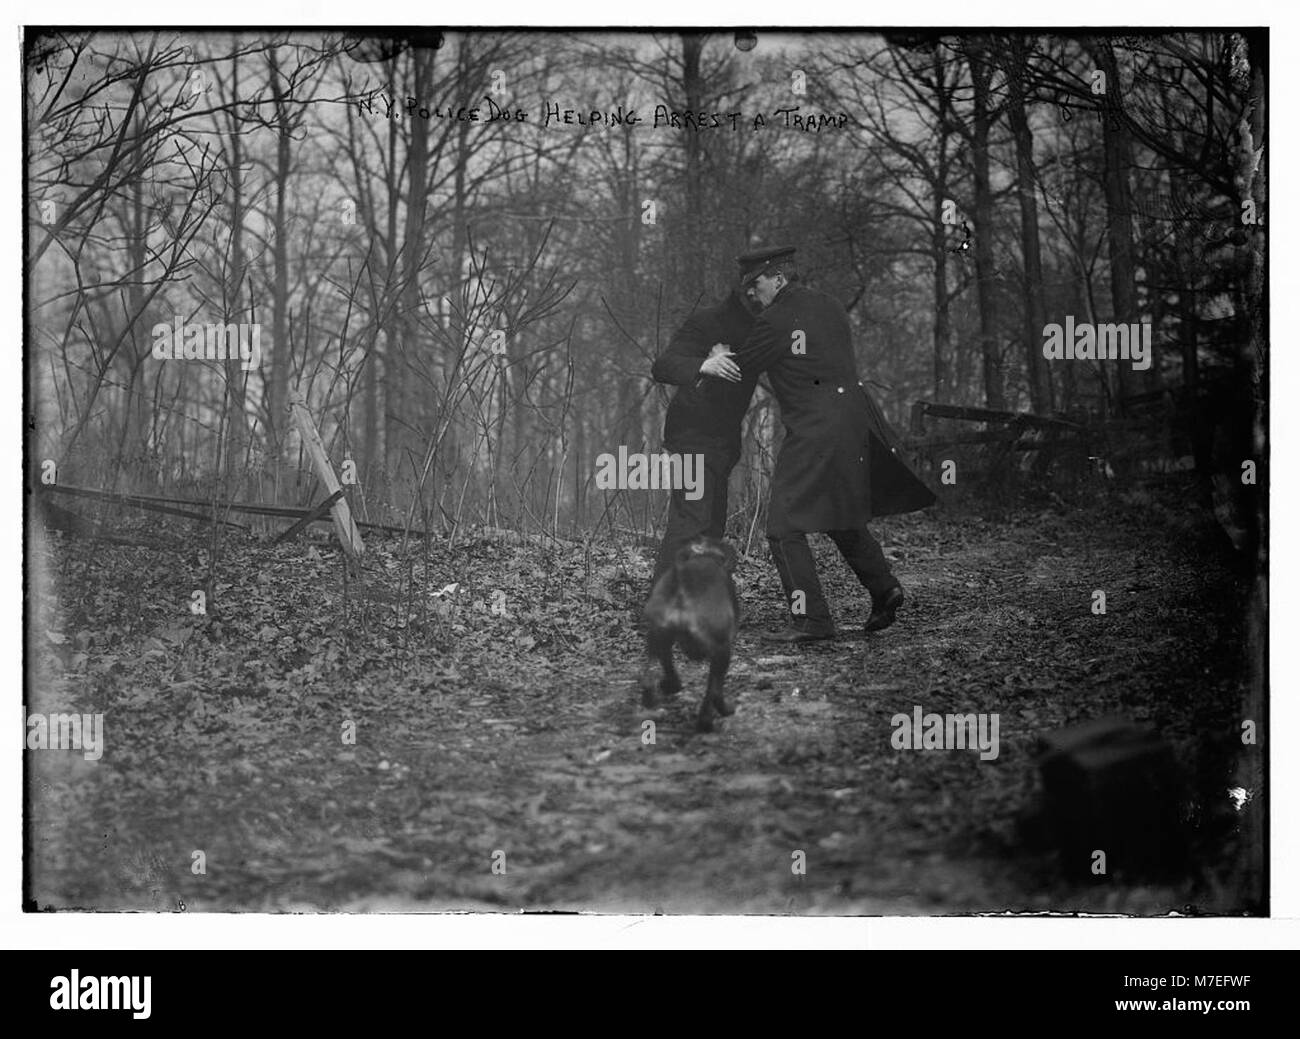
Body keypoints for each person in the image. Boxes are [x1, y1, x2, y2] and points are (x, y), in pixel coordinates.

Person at [733, 245, 935, 643]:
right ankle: (884, 587)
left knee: (782, 527)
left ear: (778, 277)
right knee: (838, 513)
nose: (752, 295)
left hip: (815, 429)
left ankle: (812, 620)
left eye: (755, 284)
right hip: (855, 422)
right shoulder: (829, 305)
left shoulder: (774, 320)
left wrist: (713, 360)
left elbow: (742, 367)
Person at [648, 285, 759, 584]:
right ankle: (660, 610)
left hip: (722, 443)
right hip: (691, 435)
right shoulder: (709, 321)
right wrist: (703, 365)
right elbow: (663, 366)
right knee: (690, 520)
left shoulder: (767, 328)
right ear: (749, 289)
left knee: (711, 525)